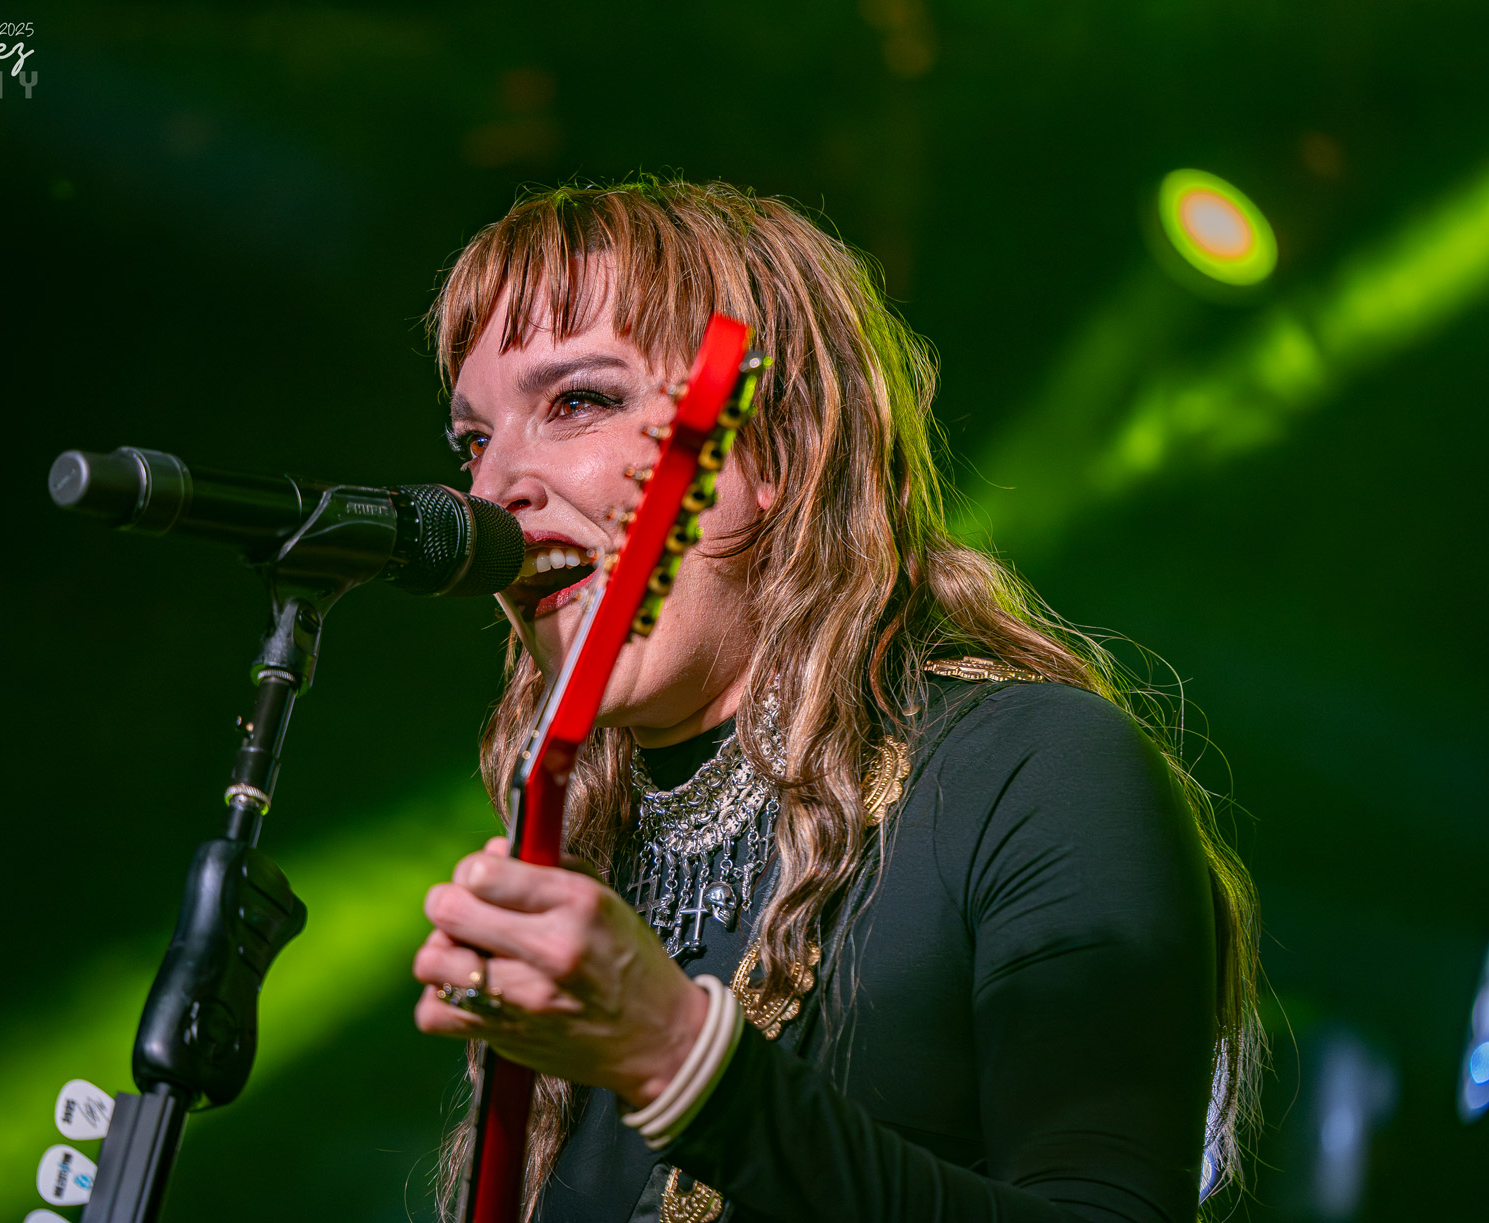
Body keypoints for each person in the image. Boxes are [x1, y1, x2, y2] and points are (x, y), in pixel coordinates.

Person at [409, 178, 1261, 1223]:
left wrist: (683, 1063)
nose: (491, 491)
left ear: (774, 444)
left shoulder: (1033, 766)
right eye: (473, 441)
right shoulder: (580, 842)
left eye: (577, 400)